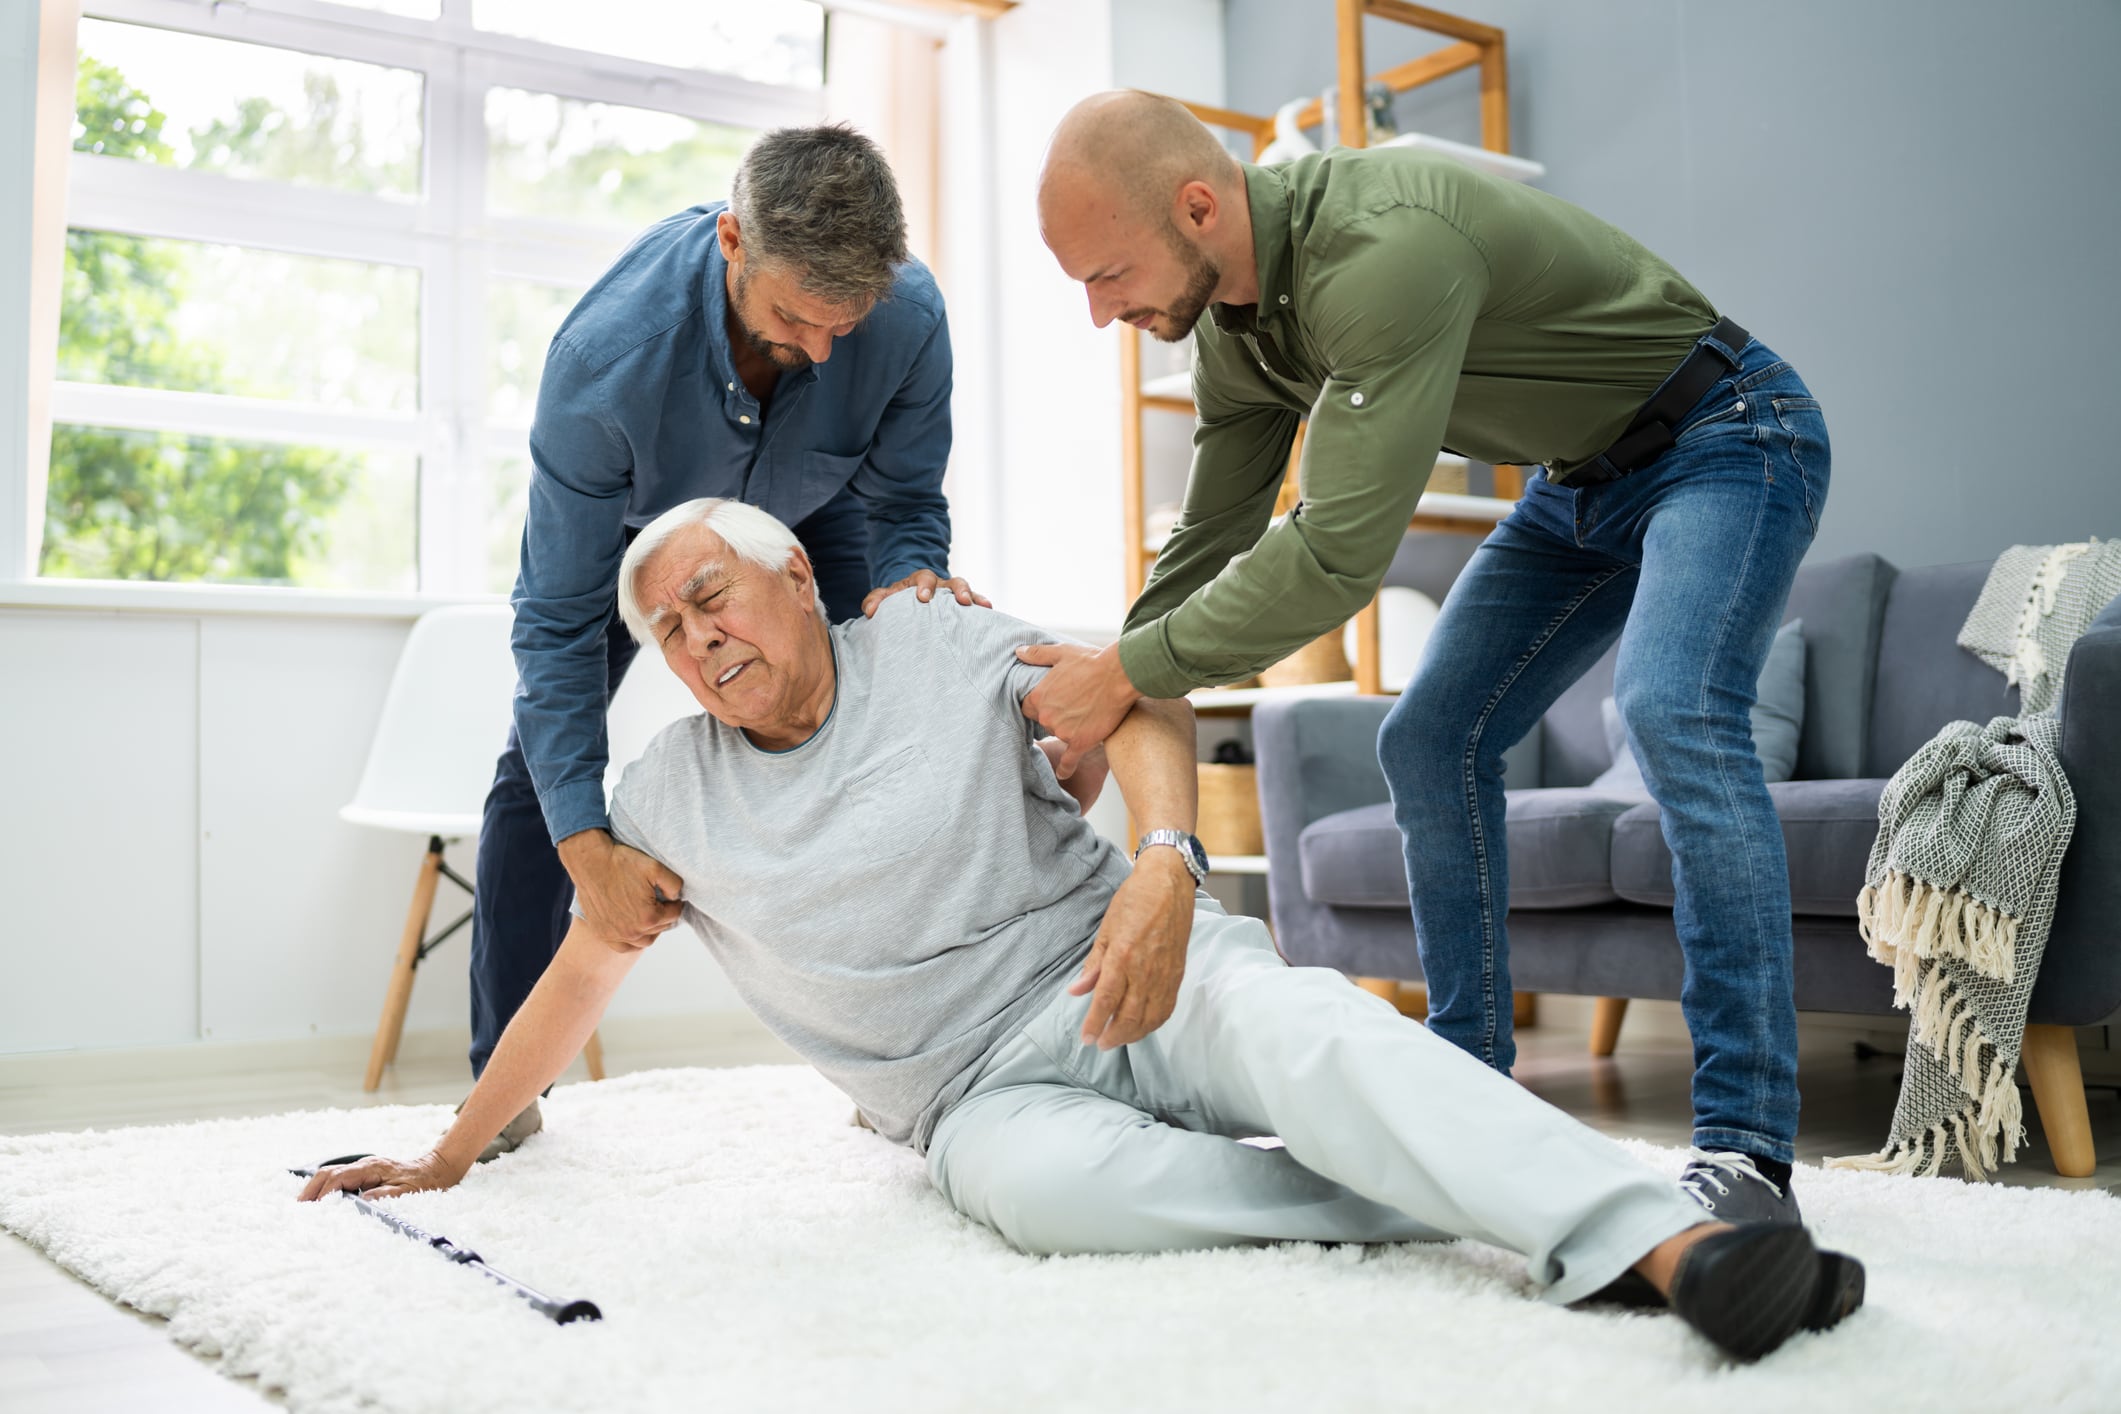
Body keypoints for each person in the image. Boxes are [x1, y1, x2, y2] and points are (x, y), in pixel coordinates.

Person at [303, 499, 1864, 1364]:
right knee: (1044, 1194)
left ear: (795, 574)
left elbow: (1147, 690)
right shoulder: (669, 795)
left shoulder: (940, 641)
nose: (701, 638)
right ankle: (1459, 1195)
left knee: (1314, 1036)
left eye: (717, 593)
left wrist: (1165, 863)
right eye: (671, 630)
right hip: (981, 1096)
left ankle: (1680, 1249)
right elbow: (585, 968)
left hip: (1129, 968)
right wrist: (453, 1146)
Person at [1024, 92, 1831, 1222]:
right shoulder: (1233, 333)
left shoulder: (1383, 246)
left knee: (1673, 710)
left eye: (1107, 276)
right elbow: (1204, 546)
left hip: (1727, 433)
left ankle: (1747, 1148)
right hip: (1578, 484)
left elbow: (1338, 551)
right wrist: (1112, 707)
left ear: (1197, 208)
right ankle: (1466, 1097)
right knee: (1431, 736)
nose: (1101, 314)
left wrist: (1123, 671)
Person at [469, 124, 988, 1154]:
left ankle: (911, 1056)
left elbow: (905, 507)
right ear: (731, 243)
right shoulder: (601, 367)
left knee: (886, 744)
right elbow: (558, 626)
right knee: (536, 781)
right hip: (643, 524)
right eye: (800, 317)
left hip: (819, 508)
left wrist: (912, 602)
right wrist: (589, 844)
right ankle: (501, 1088)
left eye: (852, 321)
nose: (828, 348)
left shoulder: (909, 315)